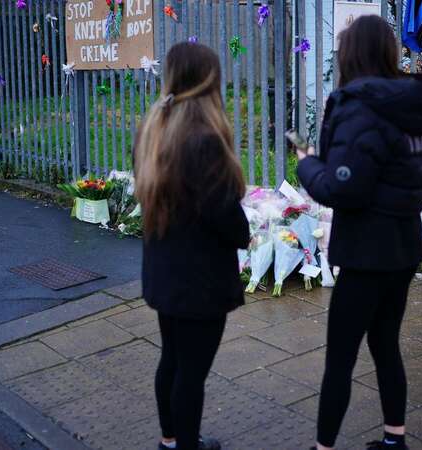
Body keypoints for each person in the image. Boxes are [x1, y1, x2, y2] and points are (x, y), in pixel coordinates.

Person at [296, 15, 422, 450]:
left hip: (365, 253)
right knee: (385, 346)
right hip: (402, 247)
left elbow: (344, 189)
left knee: (340, 359)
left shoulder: (360, 107)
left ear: (351, 54)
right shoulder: (415, 106)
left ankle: (323, 448)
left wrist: (307, 162)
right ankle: (394, 440)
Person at [134, 42, 250, 450]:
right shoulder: (204, 141)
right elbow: (227, 220)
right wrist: (244, 231)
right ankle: (185, 444)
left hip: (166, 274)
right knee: (191, 374)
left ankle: (170, 440)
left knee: (172, 359)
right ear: (209, 82)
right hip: (199, 283)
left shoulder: (154, 128)